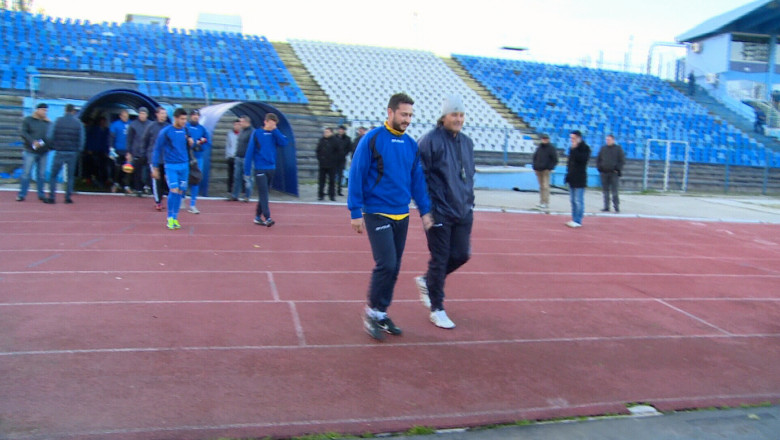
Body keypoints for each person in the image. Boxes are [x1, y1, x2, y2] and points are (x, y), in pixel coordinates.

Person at [348, 93, 433, 341]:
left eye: (410, 115)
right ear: (390, 112)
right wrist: (355, 211)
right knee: (386, 263)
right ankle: (371, 312)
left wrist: (425, 210)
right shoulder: (372, 139)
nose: (407, 119)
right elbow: (357, 173)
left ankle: (381, 312)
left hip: (401, 214)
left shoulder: (411, 145)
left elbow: (417, 181)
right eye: (403, 114)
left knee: (394, 267)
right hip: (376, 212)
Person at [415, 95, 475, 329]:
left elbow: (468, 176)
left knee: (461, 255)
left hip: (463, 210)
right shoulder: (429, 141)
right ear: (443, 117)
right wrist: (425, 210)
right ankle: (437, 308)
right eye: (454, 114)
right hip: (438, 211)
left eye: (461, 115)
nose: (458, 119)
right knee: (440, 259)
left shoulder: (467, 142)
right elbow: (418, 177)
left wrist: (470, 203)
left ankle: (427, 281)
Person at [244, 113, 288, 227]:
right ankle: (267, 217)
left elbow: (284, 142)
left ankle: (257, 217)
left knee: (265, 193)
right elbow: (249, 152)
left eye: (275, 123)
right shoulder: (257, 133)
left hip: (271, 167)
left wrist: (275, 130)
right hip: (260, 168)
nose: (273, 125)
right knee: (264, 194)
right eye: (271, 122)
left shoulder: (274, 134)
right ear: (265, 121)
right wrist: (247, 171)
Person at [152, 108, 192, 230]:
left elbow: (188, 145)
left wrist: (191, 142)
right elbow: (157, 149)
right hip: (171, 165)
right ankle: (169, 217)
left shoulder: (185, 130)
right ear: (175, 118)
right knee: (173, 190)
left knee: (180, 192)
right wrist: (155, 167)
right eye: (182, 119)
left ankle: (175, 217)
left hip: (184, 165)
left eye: (185, 119)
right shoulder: (166, 132)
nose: (184, 121)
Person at [46, 104, 84, 204]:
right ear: (73, 112)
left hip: (59, 151)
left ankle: (52, 197)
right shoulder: (78, 123)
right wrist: (78, 150)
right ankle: (67, 197)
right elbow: (82, 139)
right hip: (72, 152)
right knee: (70, 177)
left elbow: (49, 136)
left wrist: (53, 146)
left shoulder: (57, 121)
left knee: (53, 175)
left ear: (65, 110)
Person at [17, 103, 51, 202]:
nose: (45, 112)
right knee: (26, 173)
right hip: (30, 150)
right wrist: (32, 142)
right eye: (43, 110)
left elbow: (49, 136)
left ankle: (41, 194)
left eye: (46, 111)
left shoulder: (48, 123)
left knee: (41, 174)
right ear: (37, 110)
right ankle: (22, 194)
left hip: (43, 151)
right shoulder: (28, 120)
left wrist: (41, 143)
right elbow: (23, 132)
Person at [141, 107, 170, 211]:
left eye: (165, 114)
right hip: (154, 158)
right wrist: (145, 154)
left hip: (166, 158)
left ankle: (164, 198)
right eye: (162, 113)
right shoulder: (151, 127)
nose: (163, 115)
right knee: (156, 180)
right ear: (157, 114)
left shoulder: (168, 127)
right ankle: (158, 201)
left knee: (165, 180)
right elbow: (144, 141)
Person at [185, 109, 211, 214]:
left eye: (197, 115)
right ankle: (182, 198)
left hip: (198, 157)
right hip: (186, 157)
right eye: (194, 115)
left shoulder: (202, 129)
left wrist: (200, 147)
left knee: (196, 178)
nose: (195, 117)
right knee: (184, 178)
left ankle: (192, 204)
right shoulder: (185, 127)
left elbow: (207, 142)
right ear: (190, 116)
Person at [564, 130, 591, 228]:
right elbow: (570, 163)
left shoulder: (585, 148)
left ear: (579, 138)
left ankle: (578, 220)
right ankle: (574, 218)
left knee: (578, 200)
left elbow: (582, 160)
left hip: (580, 178)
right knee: (572, 200)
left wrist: (575, 149)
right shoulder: (571, 148)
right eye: (571, 138)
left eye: (574, 138)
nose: (572, 140)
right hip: (572, 177)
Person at [126, 107, 153, 196]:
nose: (142, 115)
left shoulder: (151, 125)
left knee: (149, 170)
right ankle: (138, 189)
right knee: (137, 171)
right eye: (140, 113)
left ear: (147, 115)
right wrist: (129, 152)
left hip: (148, 151)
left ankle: (147, 186)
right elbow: (129, 139)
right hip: (136, 151)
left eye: (144, 113)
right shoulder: (133, 125)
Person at [596, 134, 625, 213]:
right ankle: (606, 206)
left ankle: (616, 207)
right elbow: (598, 159)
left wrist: (617, 169)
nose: (607, 141)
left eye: (609, 140)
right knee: (605, 191)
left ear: (613, 140)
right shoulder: (603, 148)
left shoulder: (618, 149)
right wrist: (600, 168)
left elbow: (622, 160)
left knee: (614, 191)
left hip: (613, 173)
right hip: (604, 173)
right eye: (606, 140)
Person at [531, 133, 558, 211]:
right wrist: (535, 167)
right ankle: (541, 201)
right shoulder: (539, 148)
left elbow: (555, 159)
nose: (544, 140)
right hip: (538, 170)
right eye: (543, 139)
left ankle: (546, 202)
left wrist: (549, 168)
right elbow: (535, 157)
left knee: (545, 186)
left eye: (546, 139)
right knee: (541, 186)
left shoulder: (551, 148)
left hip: (546, 170)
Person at [83, 116, 110, 189]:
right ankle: (93, 180)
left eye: (104, 122)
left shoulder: (107, 130)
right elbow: (90, 139)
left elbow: (107, 142)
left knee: (103, 167)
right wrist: (89, 149)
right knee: (94, 165)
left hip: (103, 152)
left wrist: (107, 151)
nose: (103, 123)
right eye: (102, 122)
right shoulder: (94, 129)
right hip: (95, 150)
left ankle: (104, 181)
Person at [232, 115, 254, 202]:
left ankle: (247, 196)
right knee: (237, 177)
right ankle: (235, 195)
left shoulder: (252, 132)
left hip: (247, 158)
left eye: (241, 122)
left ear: (246, 122)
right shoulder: (242, 131)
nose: (240, 124)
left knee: (248, 178)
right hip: (239, 157)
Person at [109, 109, 131, 194]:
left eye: (127, 116)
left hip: (128, 151)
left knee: (128, 168)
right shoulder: (115, 125)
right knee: (117, 168)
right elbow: (111, 137)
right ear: (120, 116)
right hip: (118, 150)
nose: (126, 118)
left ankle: (126, 186)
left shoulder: (131, 124)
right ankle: (116, 183)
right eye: (124, 116)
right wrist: (111, 148)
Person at [316, 127, 340, 201]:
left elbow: (339, 152)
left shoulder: (335, 141)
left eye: (327, 132)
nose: (325, 133)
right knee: (321, 180)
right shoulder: (321, 140)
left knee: (332, 181)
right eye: (325, 132)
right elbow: (318, 151)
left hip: (332, 164)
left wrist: (334, 160)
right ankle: (320, 195)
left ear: (331, 133)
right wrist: (320, 159)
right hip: (322, 164)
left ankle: (331, 195)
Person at [225, 118, 240, 198]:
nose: (237, 126)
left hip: (239, 156)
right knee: (230, 175)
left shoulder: (242, 134)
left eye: (238, 124)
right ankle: (229, 191)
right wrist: (227, 155)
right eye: (235, 124)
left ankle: (240, 191)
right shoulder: (230, 134)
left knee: (239, 175)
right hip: (231, 156)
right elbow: (228, 145)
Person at [334, 124, 351, 196]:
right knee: (333, 175)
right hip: (333, 159)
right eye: (340, 129)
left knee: (341, 175)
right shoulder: (334, 138)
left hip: (342, 159)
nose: (341, 131)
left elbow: (349, 148)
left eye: (342, 130)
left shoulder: (347, 139)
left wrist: (344, 153)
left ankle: (339, 190)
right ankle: (332, 190)